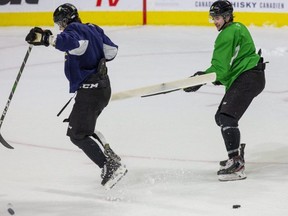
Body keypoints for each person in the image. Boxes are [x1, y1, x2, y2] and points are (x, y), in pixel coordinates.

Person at [25, 3, 127, 189]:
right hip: (103, 88)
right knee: (82, 126)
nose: (60, 27)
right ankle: (110, 157)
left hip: (90, 91)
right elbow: (112, 51)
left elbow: (72, 43)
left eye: (59, 23)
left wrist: (46, 38)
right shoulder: (92, 28)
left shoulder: (73, 30)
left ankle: (109, 166)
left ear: (64, 20)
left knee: (77, 134)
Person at [184, 0, 266, 181]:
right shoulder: (239, 27)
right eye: (212, 17)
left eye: (218, 17)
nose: (215, 21)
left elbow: (220, 69)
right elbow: (231, 67)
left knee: (226, 117)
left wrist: (201, 79)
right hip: (251, 75)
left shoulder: (226, 35)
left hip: (248, 77)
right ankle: (235, 155)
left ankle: (237, 164)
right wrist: (204, 77)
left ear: (227, 16)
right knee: (221, 117)